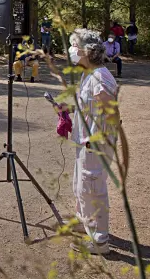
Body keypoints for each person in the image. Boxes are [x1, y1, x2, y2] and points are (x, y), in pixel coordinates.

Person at [63, 28, 120, 255]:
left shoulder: (100, 78)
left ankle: (99, 240)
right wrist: (69, 109)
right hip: (84, 141)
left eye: (75, 46)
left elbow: (111, 114)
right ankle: (84, 221)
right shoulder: (88, 74)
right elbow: (90, 107)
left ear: (87, 51)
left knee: (93, 188)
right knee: (81, 185)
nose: (71, 51)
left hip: (95, 144)